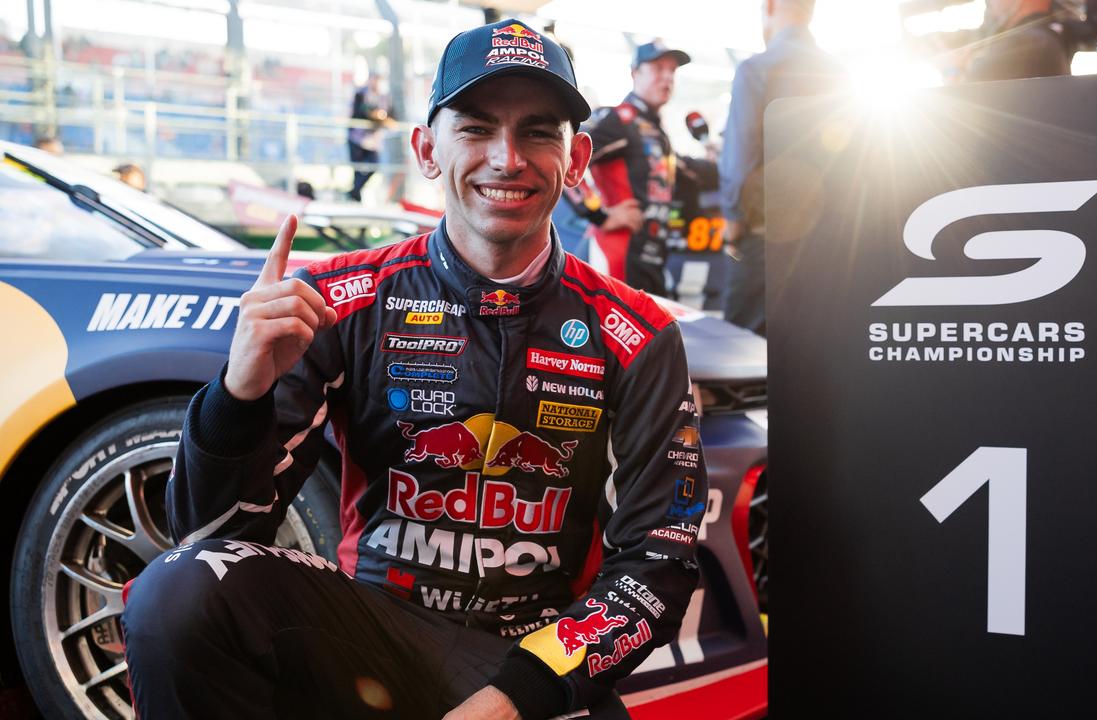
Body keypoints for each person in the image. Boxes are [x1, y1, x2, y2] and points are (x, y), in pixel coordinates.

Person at [122, 17, 706, 720]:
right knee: (176, 589)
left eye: (538, 133)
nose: (506, 157)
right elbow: (209, 539)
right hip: (371, 635)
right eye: (477, 128)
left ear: (577, 158)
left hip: (532, 666)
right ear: (428, 149)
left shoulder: (637, 334)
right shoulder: (342, 301)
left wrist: (509, 701)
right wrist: (237, 395)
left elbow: (659, 567)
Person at [718, 0, 841, 336]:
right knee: (815, 344)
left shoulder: (757, 69)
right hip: (832, 242)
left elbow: (741, 151)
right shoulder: (840, 74)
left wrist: (733, 221)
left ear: (769, 6)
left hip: (765, 237)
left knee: (737, 352)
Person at [567, 40, 694, 297]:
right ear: (635, 73)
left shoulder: (657, 130)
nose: (667, 77)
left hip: (651, 259)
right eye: (658, 68)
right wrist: (600, 215)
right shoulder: (618, 119)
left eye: (672, 71)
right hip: (615, 255)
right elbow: (563, 158)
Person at [347, 72, 394, 202]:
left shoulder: (384, 97)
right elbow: (359, 112)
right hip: (356, 137)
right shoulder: (360, 94)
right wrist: (373, 114)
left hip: (373, 139)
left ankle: (354, 193)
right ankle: (355, 195)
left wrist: (382, 118)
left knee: (374, 166)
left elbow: (390, 114)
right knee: (357, 170)